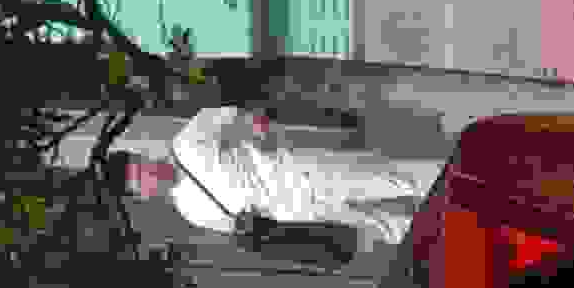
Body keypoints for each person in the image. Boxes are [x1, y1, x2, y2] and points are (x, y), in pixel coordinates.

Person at [128, 106, 443, 247]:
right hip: (296, 211)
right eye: (141, 182)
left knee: (391, 178)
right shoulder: (190, 212)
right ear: (144, 195)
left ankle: (457, 175)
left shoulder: (187, 142)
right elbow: (238, 227)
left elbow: (232, 116)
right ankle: (444, 234)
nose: (148, 176)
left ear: (144, 157)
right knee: (381, 225)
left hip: (301, 170)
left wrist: (257, 127)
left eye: (141, 168)